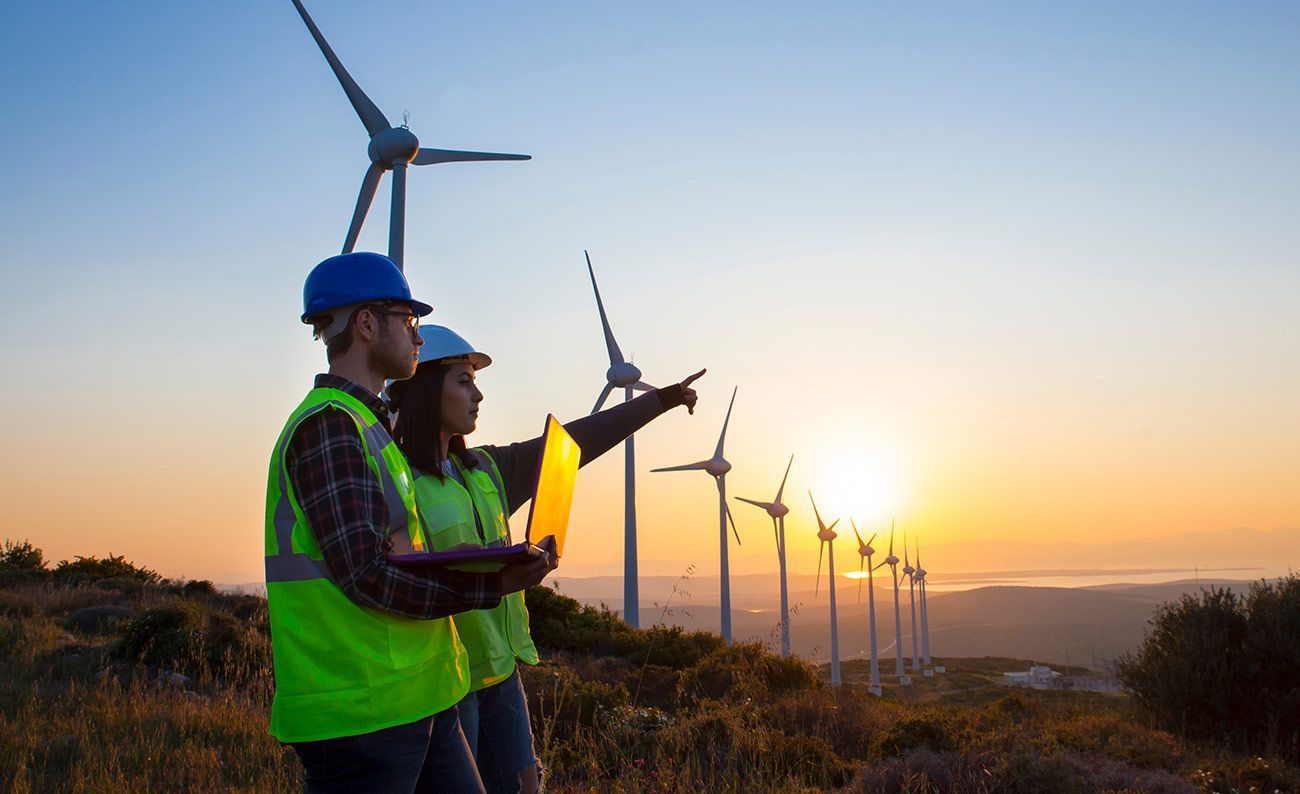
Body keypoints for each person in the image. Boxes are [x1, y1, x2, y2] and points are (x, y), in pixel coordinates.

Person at [264, 252, 558, 794]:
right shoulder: (330, 426)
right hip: (363, 714)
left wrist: (482, 564)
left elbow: (398, 553)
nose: (417, 337)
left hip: (421, 694)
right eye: (408, 319)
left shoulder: (369, 427)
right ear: (366, 324)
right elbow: (367, 575)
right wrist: (491, 585)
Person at [385, 323, 703, 794]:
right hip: (447, 683)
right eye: (464, 381)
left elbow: (573, 445)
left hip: (503, 675)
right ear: (427, 390)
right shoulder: (395, 480)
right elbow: (394, 579)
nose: (478, 394)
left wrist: (661, 399)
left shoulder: (488, 469)